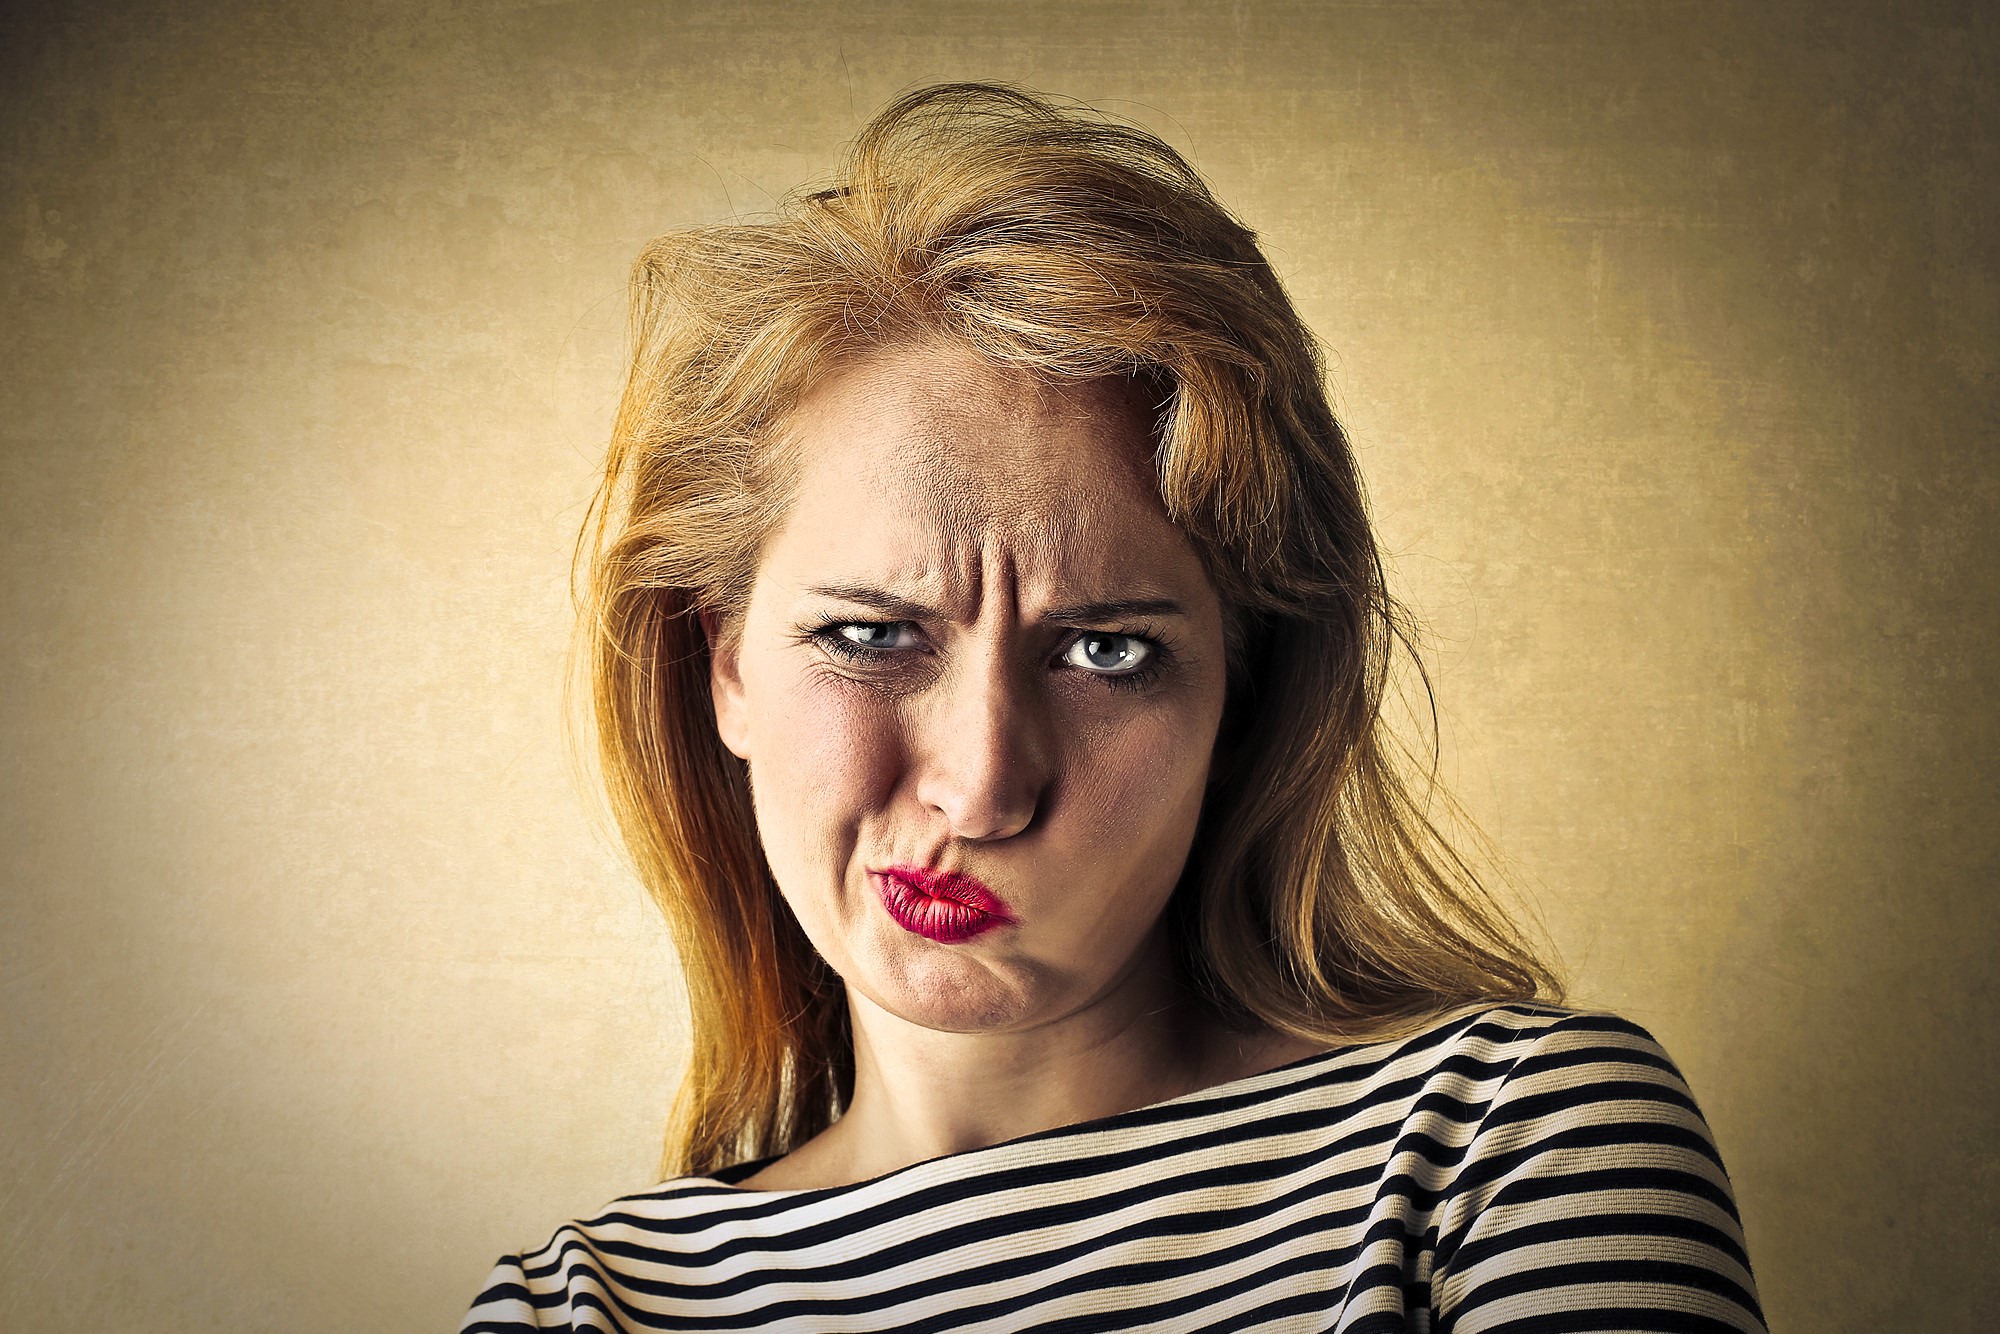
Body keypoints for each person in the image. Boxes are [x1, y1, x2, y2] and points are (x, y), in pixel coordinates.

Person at [462, 83, 1764, 1332]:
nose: (982, 781)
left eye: (1104, 651)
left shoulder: (1502, 1151)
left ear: (1239, 682)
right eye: (870, 635)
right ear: (726, 659)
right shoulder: (586, 1306)